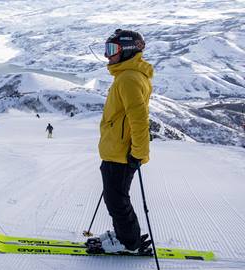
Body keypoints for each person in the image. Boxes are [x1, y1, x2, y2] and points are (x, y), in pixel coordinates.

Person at [96, 29, 153, 254]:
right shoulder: (126, 75)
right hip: (116, 150)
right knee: (115, 198)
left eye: (112, 50)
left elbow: (139, 120)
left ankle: (129, 242)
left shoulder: (128, 78)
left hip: (121, 153)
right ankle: (125, 235)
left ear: (127, 49)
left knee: (116, 201)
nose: (106, 55)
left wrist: (138, 153)